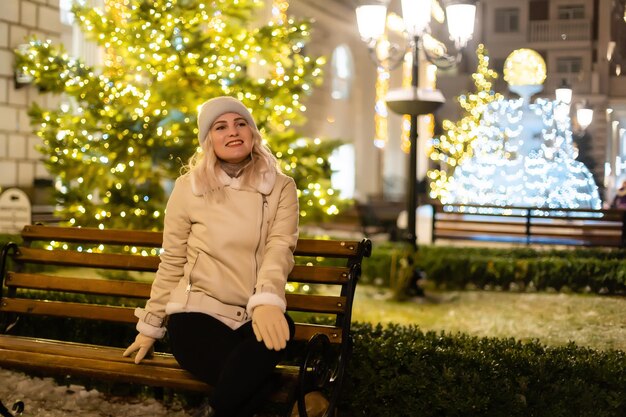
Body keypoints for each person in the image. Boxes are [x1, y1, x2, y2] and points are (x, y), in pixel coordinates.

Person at [123, 96, 299, 417]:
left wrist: (267, 301)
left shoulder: (280, 187)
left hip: (250, 315)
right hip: (196, 314)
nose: (232, 132)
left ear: (252, 132)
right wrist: (150, 326)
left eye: (240, 123)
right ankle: (301, 398)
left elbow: (279, 248)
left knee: (281, 330)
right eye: (221, 127)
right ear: (209, 141)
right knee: (252, 381)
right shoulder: (188, 188)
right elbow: (173, 260)